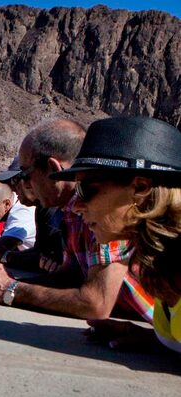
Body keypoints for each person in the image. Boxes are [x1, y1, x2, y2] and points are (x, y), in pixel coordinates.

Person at [0, 118, 153, 321]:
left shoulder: (104, 208)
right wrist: (9, 281)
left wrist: (9, 289)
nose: (23, 185)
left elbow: (95, 304)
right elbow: (70, 276)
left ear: (53, 169)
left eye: (25, 174)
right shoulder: (70, 211)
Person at [47, 116, 181, 352]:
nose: (77, 206)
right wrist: (154, 341)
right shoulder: (160, 263)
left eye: (86, 189)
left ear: (140, 188)